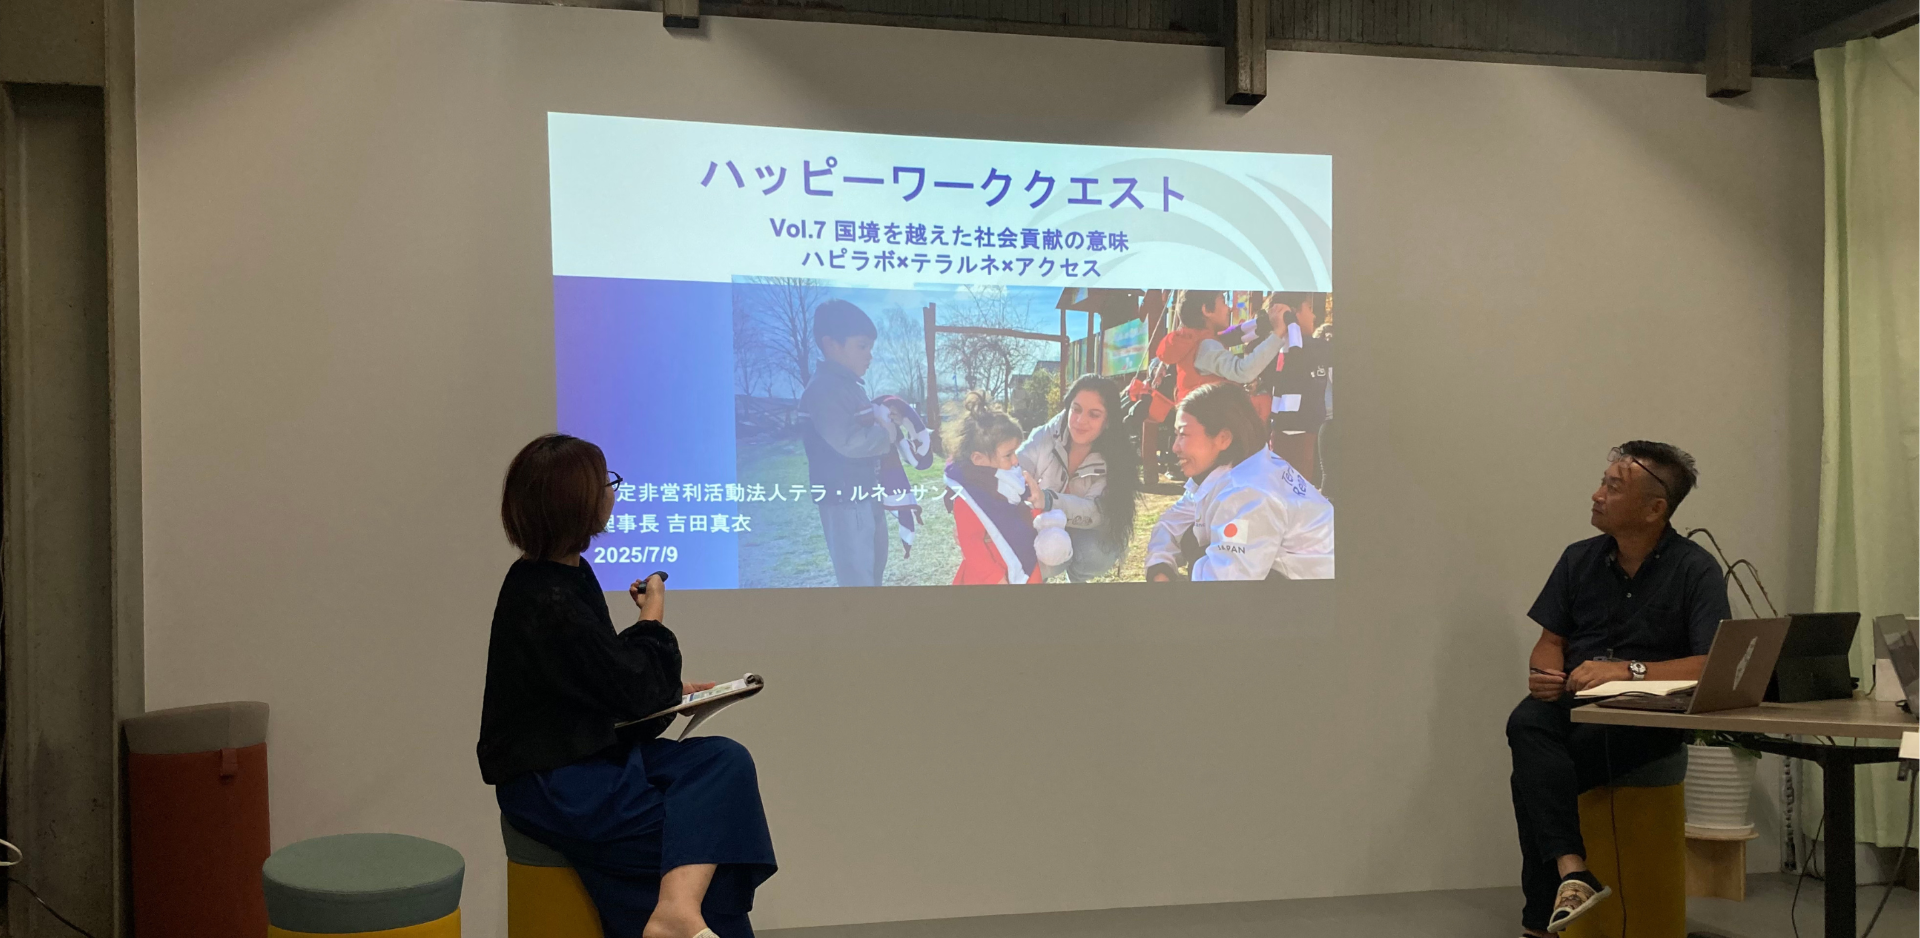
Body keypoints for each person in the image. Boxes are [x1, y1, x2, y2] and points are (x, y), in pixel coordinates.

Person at [479, 434, 776, 938]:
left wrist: (670, 694)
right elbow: (631, 687)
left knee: (726, 759)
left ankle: (674, 911)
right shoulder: (548, 597)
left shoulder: (563, 576)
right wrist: (653, 611)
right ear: (579, 502)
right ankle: (678, 914)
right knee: (712, 840)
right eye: (606, 484)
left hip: (592, 755)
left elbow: (598, 680)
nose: (613, 493)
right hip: (556, 782)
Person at [1506, 441, 1728, 936]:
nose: (1597, 494)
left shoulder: (1695, 568)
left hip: (1646, 718)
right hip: (1577, 703)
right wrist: (1546, 674)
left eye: (1612, 486)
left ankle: (1543, 917)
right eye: (1602, 482)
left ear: (1654, 509)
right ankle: (1572, 871)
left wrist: (1630, 671)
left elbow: (1711, 662)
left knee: (1533, 780)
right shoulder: (1578, 559)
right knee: (1526, 719)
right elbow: (1550, 642)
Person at [1143, 383, 1334, 581]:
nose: (1175, 447)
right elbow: (1171, 523)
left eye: (1183, 434)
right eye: (1175, 434)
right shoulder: (1230, 470)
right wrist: (1160, 566)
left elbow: (1227, 585)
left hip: (1322, 593)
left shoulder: (1250, 492)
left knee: (1198, 551)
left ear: (1223, 438)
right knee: (1194, 542)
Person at [798, 300, 894, 587]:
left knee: (871, 573)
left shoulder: (846, 386)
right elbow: (850, 442)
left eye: (870, 347)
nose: (869, 356)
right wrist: (889, 432)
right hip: (844, 501)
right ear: (831, 344)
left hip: (862, 495)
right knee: (858, 580)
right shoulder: (824, 388)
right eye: (862, 346)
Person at [1016, 375, 1140, 581]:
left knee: (1095, 552)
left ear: (1108, 421)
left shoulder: (1118, 458)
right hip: (1042, 522)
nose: (1081, 420)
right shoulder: (1047, 433)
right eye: (1076, 409)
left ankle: (1075, 582)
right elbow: (1017, 466)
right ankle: (1035, 578)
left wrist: (1048, 500)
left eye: (1094, 414)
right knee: (1025, 546)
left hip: (1086, 532)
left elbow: (1097, 512)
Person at [943, 392, 1043, 585]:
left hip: (1024, 565)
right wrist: (994, 578)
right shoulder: (969, 498)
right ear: (978, 459)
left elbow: (1024, 514)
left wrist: (1037, 508)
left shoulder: (1007, 480)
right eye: (1008, 455)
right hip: (994, 576)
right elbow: (972, 545)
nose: (1015, 460)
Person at [1266, 296, 1331, 486]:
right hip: (1303, 427)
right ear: (1293, 313)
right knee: (1299, 489)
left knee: (1282, 486)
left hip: (1279, 427)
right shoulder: (1311, 348)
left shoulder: (1273, 346)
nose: (1314, 316)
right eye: (1309, 308)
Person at [1190, 291, 1285, 384]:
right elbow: (1243, 372)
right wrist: (1278, 333)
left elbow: (1236, 334)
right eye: (1224, 302)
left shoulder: (1196, 340)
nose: (1230, 308)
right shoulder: (1206, 346)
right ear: (1207, 310)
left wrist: (1268, 322)